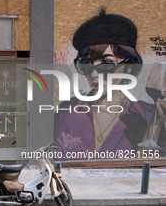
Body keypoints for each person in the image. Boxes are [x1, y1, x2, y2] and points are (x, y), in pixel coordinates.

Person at [54, 8, 166, 157]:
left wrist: (155, 126)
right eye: (86, 65)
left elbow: (149, 171)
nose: (94, 74)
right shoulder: (68, 112)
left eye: (106, 64)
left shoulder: (149, 115)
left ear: (128, 67)